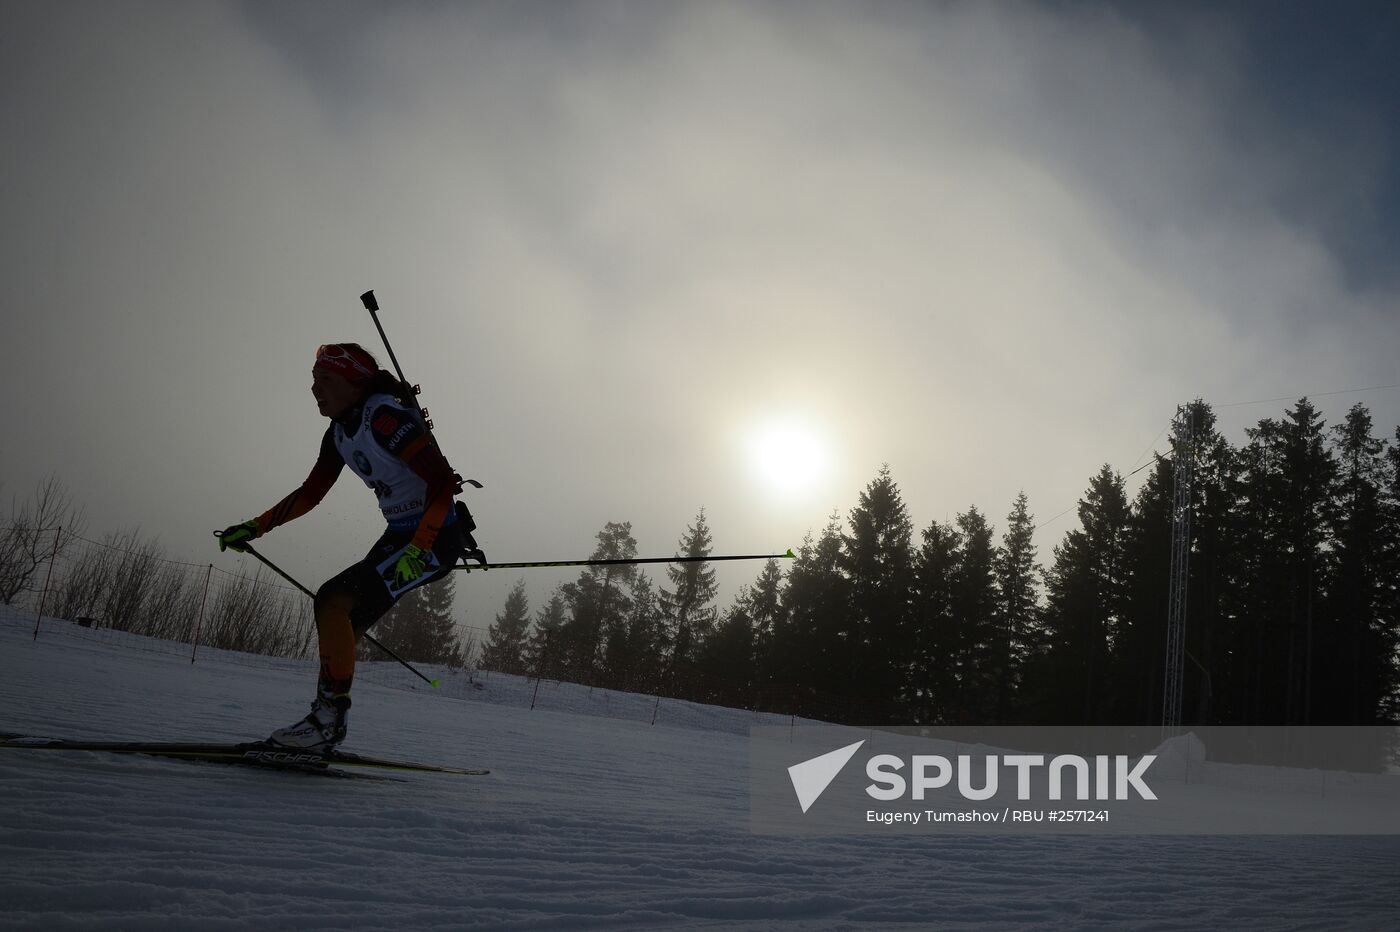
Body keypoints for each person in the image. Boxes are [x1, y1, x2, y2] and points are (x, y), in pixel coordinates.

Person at [218, 342, 478, 750]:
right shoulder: (339, 433)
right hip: (401, 536)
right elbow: (311, 493)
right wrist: (254, 527)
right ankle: (323, 725)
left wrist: (419, 548)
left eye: (325, 379)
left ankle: (325, 724)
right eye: (312, 380)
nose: (314, 389)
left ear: (355, 384)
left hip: (431, 538)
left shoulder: (384, 419)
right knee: (342, 620)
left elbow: (443, 481)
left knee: (332, 600)